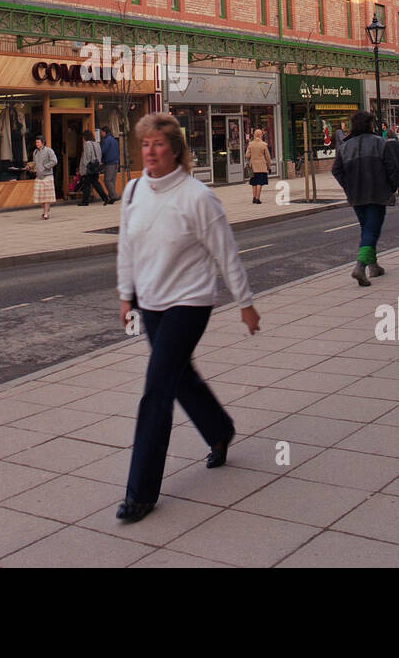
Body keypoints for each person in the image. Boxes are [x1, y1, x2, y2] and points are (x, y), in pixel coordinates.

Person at [115, 112, 260, 523]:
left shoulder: (197, 196)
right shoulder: (132, 192)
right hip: (152, 302)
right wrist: (126, 295)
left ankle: (141, 492)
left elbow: (225, 252)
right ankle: (219, 431)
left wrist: (245, 303)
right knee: (179, 378)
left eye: (159, 144)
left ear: (176, 150)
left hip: (190, 302)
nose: (150, 151)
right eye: (145, 144)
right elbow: (127, 249)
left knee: (156, 389)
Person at [331, 110, 399, 287]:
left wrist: (348, 186)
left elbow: (336, 170)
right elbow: (391, 168)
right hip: (377, 192)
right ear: (369, 125)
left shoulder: (345, 147)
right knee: (372, 229)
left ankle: (373, 265)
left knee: (367, 228)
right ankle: (360, 266)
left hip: (356, 194)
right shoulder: (380, 143)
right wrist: (395, 186)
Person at [78, 129, 112, 206]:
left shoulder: (87, 144)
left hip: (89, 167)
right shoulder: (97, 143)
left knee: (87, 184)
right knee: (96, 183)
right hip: (96, 166)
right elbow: (99, 154)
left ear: (85, 137)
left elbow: (87, 156)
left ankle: (85, 201)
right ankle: (105, 198)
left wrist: (84, 167)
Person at [245, 128, 274, 204]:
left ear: (254, 135)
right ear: (261, 135)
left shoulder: (250, 144)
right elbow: (267, 157)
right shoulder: (264, 145)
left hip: (253, 166)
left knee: (254, 183)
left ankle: (254, 197)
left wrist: (251, 157)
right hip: (261, 166)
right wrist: (269, 167)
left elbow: (247, 155)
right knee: (259, 183)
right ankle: (258, 199)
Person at [32, 135, 58, 219]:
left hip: (47, 176)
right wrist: (31, 167)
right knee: (39, 197)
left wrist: (45, 167)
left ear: (42, 143)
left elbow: (54, 161)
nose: (36, 144)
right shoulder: (35, 152)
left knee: (46, 197)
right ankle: (46, 208)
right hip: (38, 176)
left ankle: (45, 213)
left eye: (38, 142)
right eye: (36, 142)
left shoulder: (49, 151)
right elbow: (34, 163)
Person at [100, 127, 120, 203]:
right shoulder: (114, 140)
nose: (101, 134)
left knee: (107, 180)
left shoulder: (106, 140)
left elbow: (103, 151)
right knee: (112, 180)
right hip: (116, 162)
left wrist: (101, 159)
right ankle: (112, 197)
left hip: (109, 162)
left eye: (101, 132)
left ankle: (114, 196)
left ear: (105, 132)